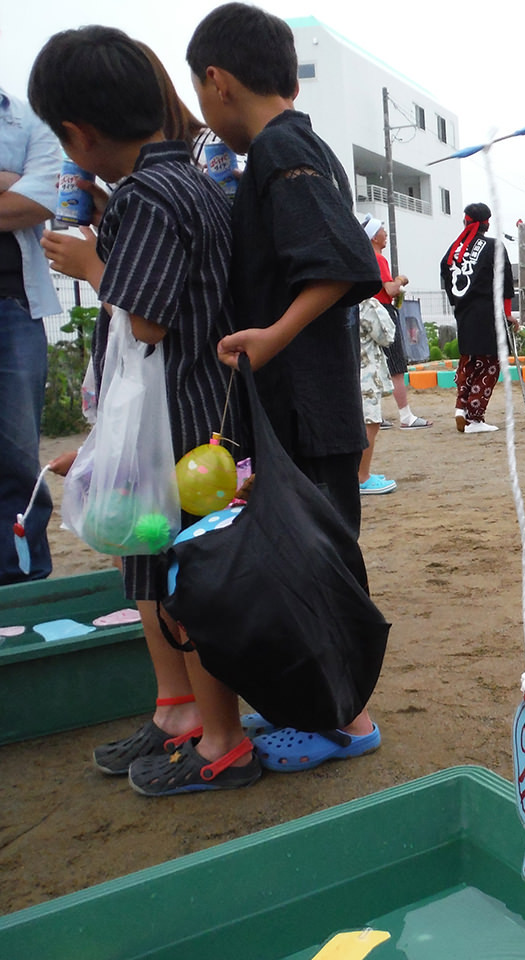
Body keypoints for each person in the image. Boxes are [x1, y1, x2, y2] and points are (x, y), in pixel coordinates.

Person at [29, 24, 259, 795]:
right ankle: (178, 713)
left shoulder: (153, 197)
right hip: (181, 421)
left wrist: (94, 263)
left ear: (77, 134)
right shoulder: (174, 185)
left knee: (185, 580)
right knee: (152, 569)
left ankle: (221, 738)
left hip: (181, 427)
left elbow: (148, 321)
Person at [188, 1, 384, 772]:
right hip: (309, 402)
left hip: (307, 403)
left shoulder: (279, 151)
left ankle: (348, 720)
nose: (204, 113)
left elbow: (342, 262)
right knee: (313, 552)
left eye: (201, 96)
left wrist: (270, 336)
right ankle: (330, 708)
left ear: (219, 81)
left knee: (316, 561)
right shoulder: (297, 146)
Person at [0, 85, 59, 587]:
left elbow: (49, 194)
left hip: (14, 307)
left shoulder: (26, 118)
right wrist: (7, 182)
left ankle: (25, 581)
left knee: (18, 455)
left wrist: (26, 189)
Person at [439, 201, 514, 435]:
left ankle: (461, 407)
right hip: (487, 313)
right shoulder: (494, 246)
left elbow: (445, 272)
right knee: (489, 364)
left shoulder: (454, 248)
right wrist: (508, 314)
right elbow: (506, 283)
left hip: (464, 313)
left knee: (468, 362)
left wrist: (457, 303)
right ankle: (475, 417)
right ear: (487, 224)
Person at [361, 213, 429, 430]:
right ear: (374, 237)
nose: (385, 233)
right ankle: (406, 415)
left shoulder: (364, 259)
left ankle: (374, 415)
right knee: (396, 366)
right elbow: (389, 288)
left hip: (367, 314)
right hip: (382, 314)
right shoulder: (378, 259)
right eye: (381, 230)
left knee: (372, 364)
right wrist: (400, 279)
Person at [356, 284, 398, 495]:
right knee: (370, 422)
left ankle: (359, 473)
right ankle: (362, 476)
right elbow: (386, 335)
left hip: (350, 370)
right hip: (365, 371)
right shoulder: (365, 302)